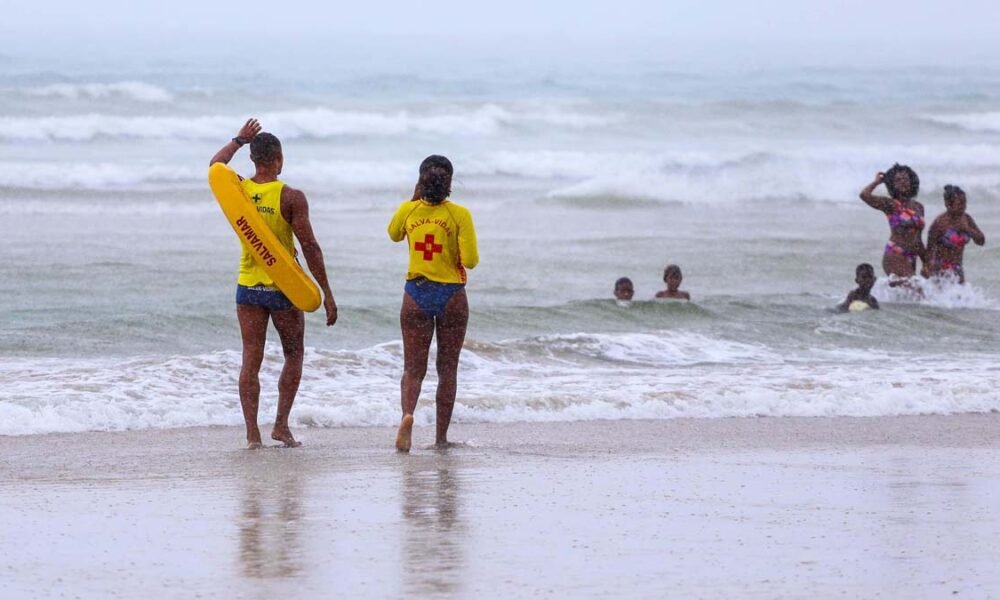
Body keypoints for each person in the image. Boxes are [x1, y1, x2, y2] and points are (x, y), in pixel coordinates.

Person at [210, 118, 338, 449]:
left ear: (253, 159)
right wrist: (326, 292)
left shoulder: (239, 189)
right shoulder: (291, 197)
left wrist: (239, 140)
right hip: (285, 287)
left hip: (249, 286)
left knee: (251, 356)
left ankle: (253, 435)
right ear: (279, 159)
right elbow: (310, 247)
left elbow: (215, 167)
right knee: (293, 354)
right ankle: (280, 426)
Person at [387, 155, 478, 452]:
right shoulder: (459, 215)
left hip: (416, 294)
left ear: (420, 180)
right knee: (447, 369)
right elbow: (472, 261)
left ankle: (408, 416)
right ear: (450, 183)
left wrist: (414, 199)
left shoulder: (408, 210)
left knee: (413, 369)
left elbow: (393, 234)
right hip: (451, 295)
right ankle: (440, 438)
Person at [859, 164, 926, 283]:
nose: (903, 182)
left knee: (910, 295)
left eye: (905, 179)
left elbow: (918, 238)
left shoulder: (919, 207)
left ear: (912, 181)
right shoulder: (890, 204)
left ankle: (880, 293)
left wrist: (926, 262)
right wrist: (877, 182)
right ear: (892, 184)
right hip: (895, 254)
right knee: (914, 290)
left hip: (912, 256)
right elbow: (864, 195)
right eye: (898, 180)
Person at [923, 184, 985, 284]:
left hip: (958, 268)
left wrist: (967, 229)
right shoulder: (940, 223)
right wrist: (926, 268)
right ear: (948, 204)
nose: (964, 207)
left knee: (962, 298)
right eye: (960, 204)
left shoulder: (966, 219)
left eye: (965, 203)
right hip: (940, 269)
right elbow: (929, 250)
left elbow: (981, 241)